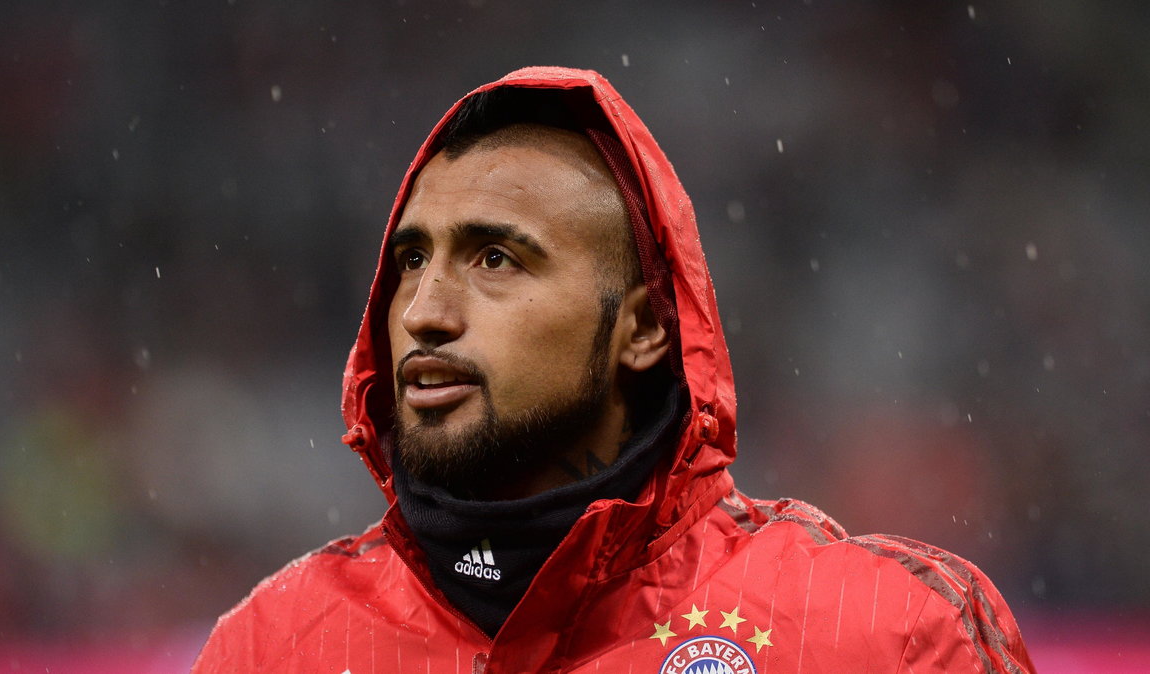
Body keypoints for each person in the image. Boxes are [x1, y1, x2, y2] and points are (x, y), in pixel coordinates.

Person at [193, 67, 1035, 673]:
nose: (423, 312)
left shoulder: (890, 638)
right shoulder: (272, 646)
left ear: (640, 331)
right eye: (411, 261)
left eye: (494, 259)